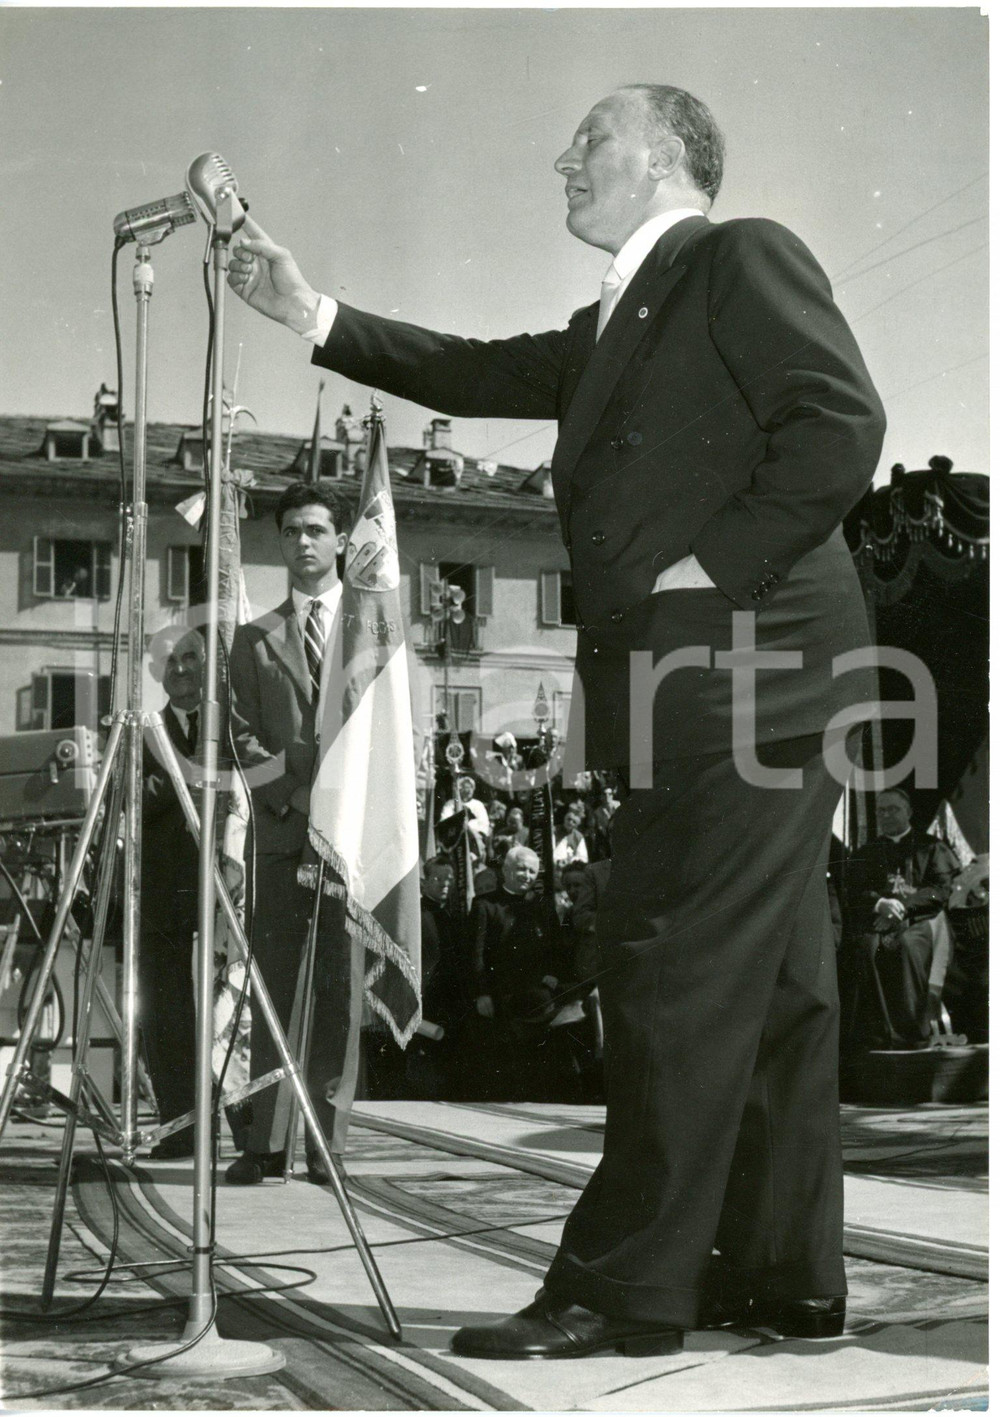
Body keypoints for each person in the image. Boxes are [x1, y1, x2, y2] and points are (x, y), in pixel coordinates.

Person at [229, 82, 885, 1357]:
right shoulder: (613, 323)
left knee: (669, 970)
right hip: (717, 684)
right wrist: (307, 310)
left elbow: (840, 422)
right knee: (774, 990)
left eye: (589, 141)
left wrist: (709, 572)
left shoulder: (735, 256)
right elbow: (469, 372)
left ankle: (623, 1289)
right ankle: (777, 1271)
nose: (561, 159)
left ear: (666, 158)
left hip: (738, 668)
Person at [226, 480, 357, 1186]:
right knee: (273, 987)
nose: (303, 542)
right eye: (291, 531)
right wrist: (298, 794)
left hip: (350, 842)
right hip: (280, 836)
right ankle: (265, 1140)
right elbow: (242, 735)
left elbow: (383, 736)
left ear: (340, 539)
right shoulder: (253, 640)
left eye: (315, 529)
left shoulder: (370, 632)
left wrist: (338, 802)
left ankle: (325, 1143)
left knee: (337, 991)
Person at [137, 627, 205, 1160]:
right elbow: (133, 803)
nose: (180, 669)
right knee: (167, 1015)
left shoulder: (231, 727)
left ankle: (246, 1130)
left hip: (226, 892)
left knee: (233, 1010)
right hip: (163, 897)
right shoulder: (143, 732)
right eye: (170, 661)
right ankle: (179, 1127)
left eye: (191, 658)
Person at [845, 789, 960, 1048]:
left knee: (908, 947)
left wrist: (902, 907)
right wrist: (880, 903)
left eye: (893, 809)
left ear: (908, 812)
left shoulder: (930, 847)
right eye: (881, 811)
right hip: (879, 919)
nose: (886, 815)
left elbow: (939, 890)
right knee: (867, 947)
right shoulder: (868, 851)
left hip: (922, 921)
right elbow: (853, 890)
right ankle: (878, 1035)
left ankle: (912, 1035)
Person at [469, 846, 568, 1099]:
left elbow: (557, 946)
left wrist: (553, 974)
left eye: (532, 871)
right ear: (506, 870)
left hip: (536, 997)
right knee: (501, 1063)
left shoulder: (544, 906)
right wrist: (481, 994)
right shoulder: (484, 905)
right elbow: (475, 954)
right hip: (499, 997)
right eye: (521, 869)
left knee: (536, 1060)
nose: (527, 875)